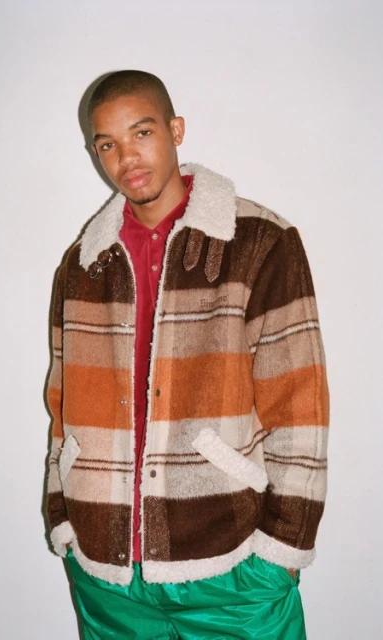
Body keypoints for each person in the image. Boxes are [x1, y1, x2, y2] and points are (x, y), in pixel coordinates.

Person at [45, 70, 330, 639]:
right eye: (107, 144)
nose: (127, 157)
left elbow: (301, 407)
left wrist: (282, 550)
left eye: (142, 132)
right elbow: (61, 406)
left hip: (232, 568)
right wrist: (64, 521)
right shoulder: (82, 265)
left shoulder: (259, 243)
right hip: (108, 576)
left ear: (175, 130)